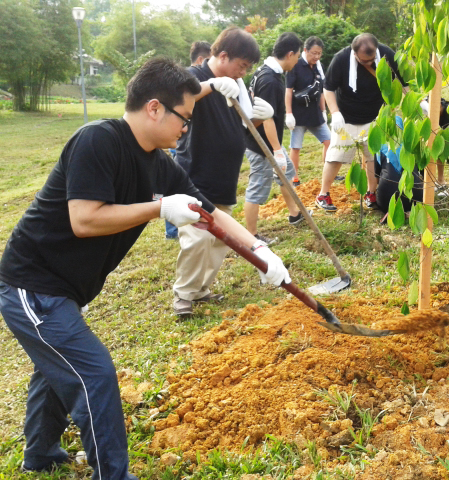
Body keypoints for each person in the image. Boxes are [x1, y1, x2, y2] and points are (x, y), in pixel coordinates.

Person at [0, 57, 290, 480]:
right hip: (31, 284)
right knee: (94, 373)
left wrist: (261, 252)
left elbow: (211, 214)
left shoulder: (159, 162)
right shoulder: (97, 140)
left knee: (58, 364)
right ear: (154, 108)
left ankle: (40, 453)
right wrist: (159, 208)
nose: (186, 128)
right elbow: (84, 220)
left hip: (64, 288)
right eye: (184, 118)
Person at [172, 27, 274, 317]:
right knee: (197, 236)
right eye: (241, 66)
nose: (243, 73)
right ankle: (184, 294)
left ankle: (201, 289)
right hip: (196, 172)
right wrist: (213, 85)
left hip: (225, 174)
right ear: (224, 55)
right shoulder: (194, 77)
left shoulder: (238, 86)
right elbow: (181, 101)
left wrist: (257, 116)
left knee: (219, 239)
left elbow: (238, 128)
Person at [316, 33, 405, 212]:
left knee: (372, 156)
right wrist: (335, 113)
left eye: (371, 60)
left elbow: (403, 82)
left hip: (375, 117)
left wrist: (420, 104)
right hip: (346, 117)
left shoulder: (387, 54)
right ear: (354, 52)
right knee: (336, 156)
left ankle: (370, 193)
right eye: (364, 61)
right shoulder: (340, 59)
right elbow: (328, 88)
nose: (369, 64)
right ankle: (323, 194)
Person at [244, 32, 305, 241]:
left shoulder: (268, 71)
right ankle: (252, 236)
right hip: (260, 144)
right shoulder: (270, 80)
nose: (297, 61)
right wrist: (277, 150)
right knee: (258, 187)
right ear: (290, 54)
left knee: (287, 174)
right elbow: (266, 118)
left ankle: (295, 215)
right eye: (297, 56)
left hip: (268, 142)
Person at [165, 41, 213, 240]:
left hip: (183, 140)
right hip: (181, 142)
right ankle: (173, 230)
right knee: (178, 185)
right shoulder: (189, 76)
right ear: (201, 59)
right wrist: (213, 85)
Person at [284, 36, 331, 187]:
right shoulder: (295, 65)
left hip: (315, 112)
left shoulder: (318, 66)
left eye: (319, 53)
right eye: (313, 53)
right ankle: (294, 178)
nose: (316, 56)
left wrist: (324, 110)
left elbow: (321, 90)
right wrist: (289, 113)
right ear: (305, 50)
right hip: (298, 114)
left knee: (329, 141)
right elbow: (288, 91)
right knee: (296, 147)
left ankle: (328, 172)